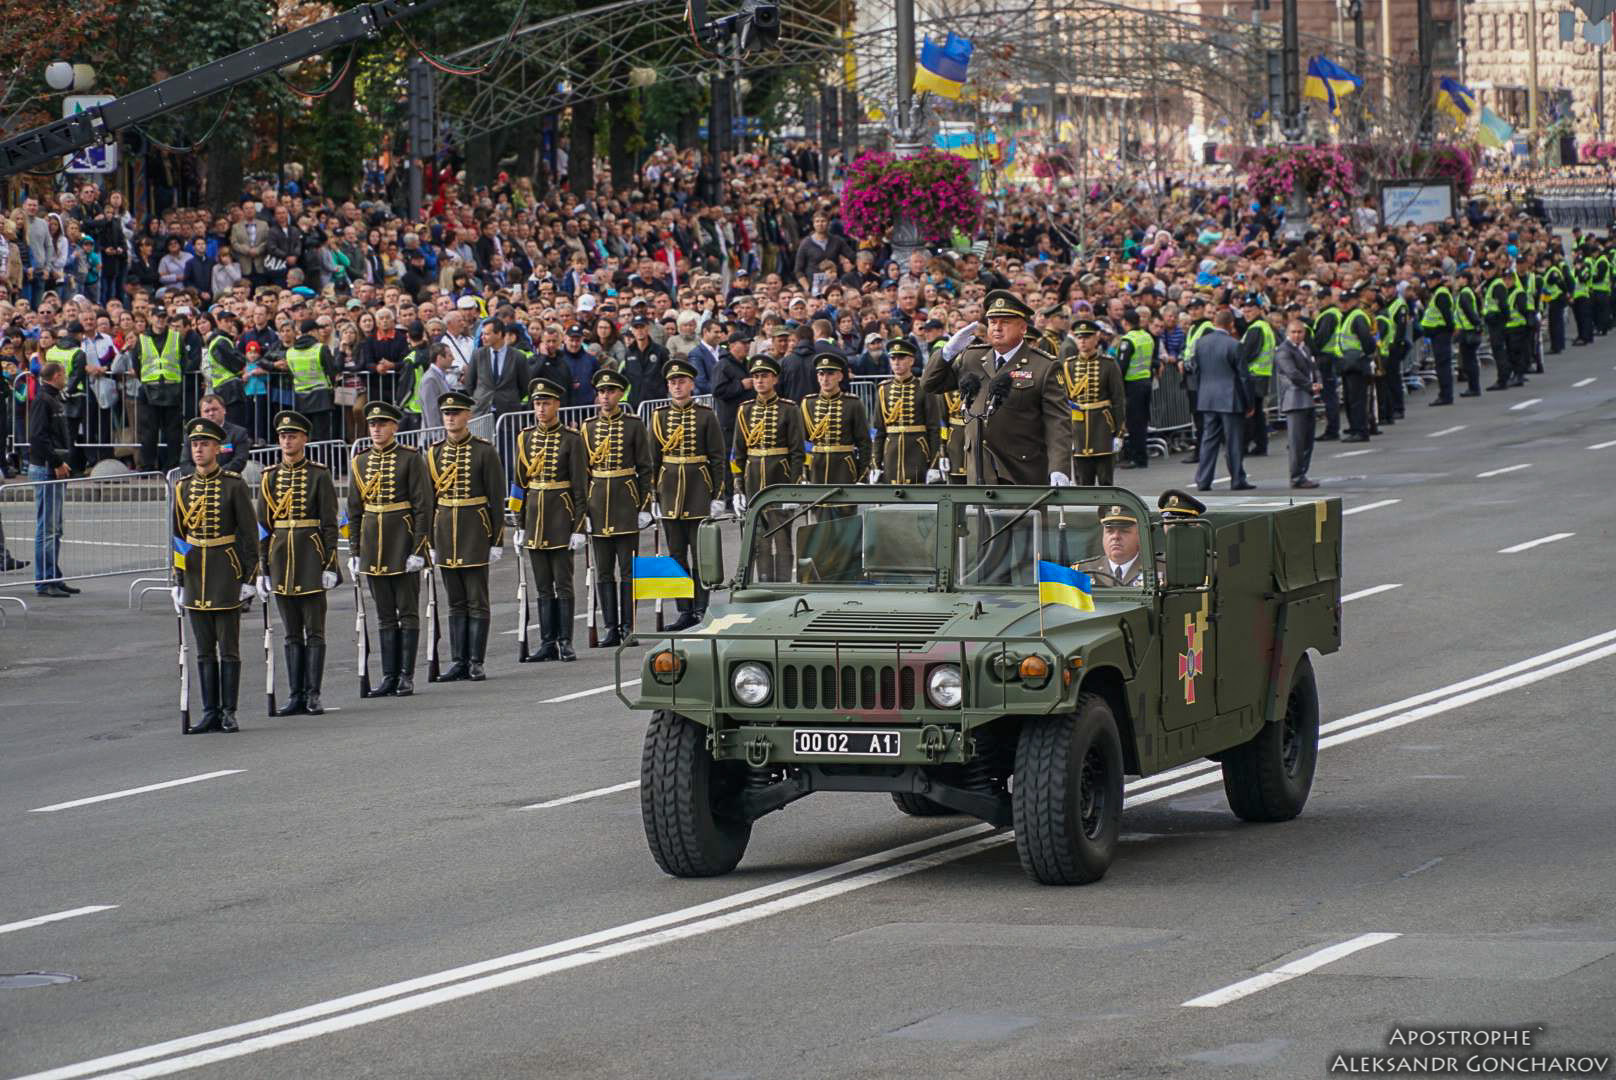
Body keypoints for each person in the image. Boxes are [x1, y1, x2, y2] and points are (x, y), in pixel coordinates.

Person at [920, 289, 1071, 486]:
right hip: (979, 470)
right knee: (977, 518)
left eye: (1005, 322)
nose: (997, 328)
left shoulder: (1043, 366)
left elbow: (1058, 422)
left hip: (1021, 472)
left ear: (1023, 328)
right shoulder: (971, 358)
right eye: (992, 322)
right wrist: (947, 353)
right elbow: (930, 384)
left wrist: (1059, 468)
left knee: (1022, 518)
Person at [171, 417, 259, 733]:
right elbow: (178, 537)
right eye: (195, 445)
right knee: (204, 649)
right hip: (195, 576)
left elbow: (249, 535)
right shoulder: (182, 487)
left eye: (205, 444)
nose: (198, 450)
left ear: (217, 449)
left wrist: (250, 578)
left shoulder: (233, 484)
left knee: (229, 648)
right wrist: (178, 580)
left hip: (226, 570)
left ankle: (229, 711)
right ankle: (209, 711)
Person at [256, 410, 341, 716]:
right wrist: (262, 569)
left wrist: (330, 564)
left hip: (310, 559)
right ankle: (295, 694)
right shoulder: (270, 477)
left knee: (314, 631)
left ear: (304, 439)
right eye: (282, 436)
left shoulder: (318, 475)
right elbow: (263, 527)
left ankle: (313, 693)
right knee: (291, 633)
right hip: (281, 562)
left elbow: (330, 524)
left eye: (292, 436)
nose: (287, 441)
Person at [347, 400, 432, 697]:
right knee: (384, 615)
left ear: (394, 427)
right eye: (372, 425)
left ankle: (406, 675)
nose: (377, 429)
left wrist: (419, 549)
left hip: (403, 543)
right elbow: (354, 511)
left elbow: (423, 506)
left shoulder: (410, 458)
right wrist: (355, 551)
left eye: (382, 424)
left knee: (407, 612)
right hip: (373, 547)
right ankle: (389, 674)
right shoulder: (359, 462)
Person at [426, 391, 505, 680]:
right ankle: (458, 659)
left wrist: (496, 540)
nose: (451, 418)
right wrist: (429, 542)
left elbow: (496, 499)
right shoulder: (433, 453)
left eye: (456, 413)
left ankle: (475, 660)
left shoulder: (484, 451)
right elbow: (428, 502)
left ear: (467, 416)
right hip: (445, 532)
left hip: (475, 531)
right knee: (455, 601)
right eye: (447, 414)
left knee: (476, 600)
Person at [513, 376, 588, 661]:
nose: (541, 408)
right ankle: (547, 641)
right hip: (533, 518)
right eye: (537, 403)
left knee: (563, 583)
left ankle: (565, 640)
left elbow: (580, 485)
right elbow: (519, 484)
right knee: (542, 585)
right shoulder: (525, 438)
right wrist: (519, 524)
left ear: (557, 404)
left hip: (561, 517)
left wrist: (579, 527)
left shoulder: (572, 439)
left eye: (546, 403)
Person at [648, 358, 726, 629]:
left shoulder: (706, 415)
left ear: (691, 384)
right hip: (669, 493)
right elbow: (652, 461)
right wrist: (653, 497)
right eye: (672, 382)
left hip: (699, 493)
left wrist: (718, 495)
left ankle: (702, 608)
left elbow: (717, 458)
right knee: (675, 555)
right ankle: (684, 610)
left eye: (681, 381)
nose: (677, 386)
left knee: (701, 554)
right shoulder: (658, 417)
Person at [581, 368, 654, 646]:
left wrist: (645, 504)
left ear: (620, 394)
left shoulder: (634, 425)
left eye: (610, 391)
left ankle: (629, 627)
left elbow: (645, 468)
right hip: (598, 504)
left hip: (625, 503)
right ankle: (611, 626)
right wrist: (583, 513)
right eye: (601, 392)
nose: (605, 397)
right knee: (602, 571)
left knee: (627, 570)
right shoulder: (587, 428)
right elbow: (583, 474)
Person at [732, 354, 805, 581]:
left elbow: (797, 452)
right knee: (759, 538)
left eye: (764, 376)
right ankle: (763, 582)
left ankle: (782, 585)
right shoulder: (744, 410)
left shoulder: (789, 409)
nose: (760, 381)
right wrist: (738, 488)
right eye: (756, 377)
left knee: (782, 538)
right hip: (753, 479)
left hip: (779, 478)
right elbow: (738, 452)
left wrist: (794, 487)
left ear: (774, 379)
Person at [1192, 309, 1254, 492]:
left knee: (1208, 440)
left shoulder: (1200, 343)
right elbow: (1244, 376)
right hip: (1230, 398)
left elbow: (1197, 371)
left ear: (1214, 322)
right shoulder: (1234, 345)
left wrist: (1201, 391)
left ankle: (1203, 480)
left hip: (1207, 397)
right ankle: (1237, 479)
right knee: (1233, 442)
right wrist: (1249, 403)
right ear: (1231, 324)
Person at [1059, 318, 1125, 486]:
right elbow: (1063, 401)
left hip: (1102, 428)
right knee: (1083, 482)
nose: (1082, 341)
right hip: (1078, 430)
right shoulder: (1069, 365)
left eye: (1087, 337)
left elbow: (1118, 400)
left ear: (1096, 338)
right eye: (1079, 337)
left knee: (1105, 481)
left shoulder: (1108, 364)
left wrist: (1118, 434)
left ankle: (1106, 512)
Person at [28, 360, 74, 597]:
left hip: (54, 466)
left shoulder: (54, 398)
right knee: (47, 528)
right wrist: (55, 462)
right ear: (56, 375)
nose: (65, 377)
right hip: (47, 468)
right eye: (63, 374)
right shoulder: (43, 400)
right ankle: (44, 581)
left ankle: (53, 576)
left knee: (54, 528)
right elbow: (37, 436)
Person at [871, 338, 940, 484]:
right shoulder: (884, 389)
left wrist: (934, 465)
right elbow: (879, 430)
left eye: (901, 358)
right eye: (893, 358)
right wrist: (876, 464)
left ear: (911, 361)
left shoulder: (923, 387)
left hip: (917, 450)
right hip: (891, 452)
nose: (896, 362)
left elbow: (934, 428)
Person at [800, 352, 870, 485]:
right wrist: (805, 471)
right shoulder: (808, 403)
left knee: (843, 505)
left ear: (840, 376)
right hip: (816, 468)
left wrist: (862, 476)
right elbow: (804, 442)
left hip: (844, 468)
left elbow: (864, 442)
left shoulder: (853, 403)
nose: (825, 379)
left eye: (830, 374)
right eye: (821, 374)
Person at [131, 307, 186, 469]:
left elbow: (184, 361)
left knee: (173, 434)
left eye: (163, 317)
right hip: (149, 390)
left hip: (171, 390)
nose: (160, 320)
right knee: (148, 433)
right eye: (157, 317)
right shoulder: (142, 339)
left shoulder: (176, 337)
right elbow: (136, 363)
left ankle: (173, 466)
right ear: (151, 318)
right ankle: (148, 466)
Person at [1273, 318, 1321, 490]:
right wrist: (1311, 385)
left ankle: (1302, 474)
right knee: (1296, 442)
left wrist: (1318, 382)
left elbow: (1314, 368)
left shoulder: (1305, 348)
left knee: (1307, 441)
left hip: (1307, 399)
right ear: (1287, 333)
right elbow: (1292, 373)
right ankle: (1296, 476)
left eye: (1300, 332)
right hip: (1294, 399)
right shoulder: (1283, 351)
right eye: (1293, 332)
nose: (1296, 335)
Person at [1115, 307, 1158, 470]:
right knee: (1142, 422)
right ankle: (1142, 456)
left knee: (1134, 424)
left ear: (1125, 322)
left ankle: (1137, 458)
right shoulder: (1147, 337)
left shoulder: (1128, 340)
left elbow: (1121, 366)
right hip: (1146, 382)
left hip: (1132, 385)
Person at [461, 317, 530, 419]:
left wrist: (509, 398)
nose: (482, 337)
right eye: (482, 334)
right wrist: (480, 397)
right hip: (482, 411)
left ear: (499, 334)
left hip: (508, 412)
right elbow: (470, 383)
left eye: (487, 334)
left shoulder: (518, 357)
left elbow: (524, 386)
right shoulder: (478, 355)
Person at [283, 317, 340, 441]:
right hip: (321, 397)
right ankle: (322, 459)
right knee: (322, 436)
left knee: (304, 435)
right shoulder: (320, 348)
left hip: (300, 398)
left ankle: (308, 459)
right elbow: (331, 372)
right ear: (312, 332)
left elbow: (291, 373)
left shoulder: (290, 352)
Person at [1238, 297, 1276, 456]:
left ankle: (1245, 445)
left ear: (1259, 310)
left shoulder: (1256, 328)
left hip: (1253, 375)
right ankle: (1261, 445)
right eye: (1245, 311)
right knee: (1258, 413)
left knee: (1250, 413)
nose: (1247, 313)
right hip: (1262, 374)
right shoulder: (1264, 326)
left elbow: (1248, 353)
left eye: (1250, 310)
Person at [180, 394, 250, 475]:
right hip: (197, 482)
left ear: (224, 410)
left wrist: (215, 474)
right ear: (201, 414)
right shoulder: (191, 435)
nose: (211, 413)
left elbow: (239, 461)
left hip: (227, 481)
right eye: (206, 411)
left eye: (214, 409)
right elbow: (185, 464)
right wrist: (201, 475)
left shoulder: (238, 433)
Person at [1076, 505, 1143, 587]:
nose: (1115, 536)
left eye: (1124, 531)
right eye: (1110, 531)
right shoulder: (1082, 571)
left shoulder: (1158, 569)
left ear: (1140, 536)